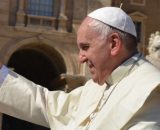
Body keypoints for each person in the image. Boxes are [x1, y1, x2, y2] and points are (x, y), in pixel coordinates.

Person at [0, 6, 160, 130]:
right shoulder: (95, 88)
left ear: (113, 44)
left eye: (85, 47)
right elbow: (48, 105)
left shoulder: (151, 91)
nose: (80, 58)